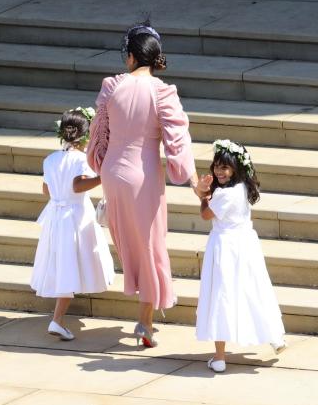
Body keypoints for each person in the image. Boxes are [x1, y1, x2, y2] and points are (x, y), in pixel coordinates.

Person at [87, 22, 207, 349]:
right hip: (143, 174)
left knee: (131, 245)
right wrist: (194, 181)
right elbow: (177, 143)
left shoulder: (111, 86)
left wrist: (102, 166)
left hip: (113, 172)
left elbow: (98, 136)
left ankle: (145, 312)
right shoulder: (162, 91)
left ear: (130, 57)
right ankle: (145, 322)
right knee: (152, 246)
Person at [196, 140, 286, 373]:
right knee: (254, 289)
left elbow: (206, 215)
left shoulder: (224, 194)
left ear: (236, 168)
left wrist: (202, 193)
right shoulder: (243, 188)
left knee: (221, 294)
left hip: (225, 246)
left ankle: (219, 357)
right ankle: (275, 336)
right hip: (245, 244)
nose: (219, 171)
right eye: (216, 166)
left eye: (224, 168)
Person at [31, 108, 115, 341]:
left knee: (62, 261)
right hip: (74, 216)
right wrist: (102, 177)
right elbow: (78, 186)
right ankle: (57, 320)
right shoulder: (80, 160)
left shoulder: (51, 159)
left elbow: (46, 189)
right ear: (86, 136)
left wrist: (59, 195)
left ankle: (58, 318)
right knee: (70, 264)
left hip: (56, 215)